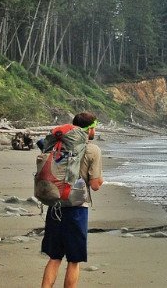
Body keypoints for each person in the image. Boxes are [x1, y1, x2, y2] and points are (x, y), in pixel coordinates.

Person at [41, 111, 104, 288]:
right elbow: (96, 185)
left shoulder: (57, 145)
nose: (95, 131)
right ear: (89, 129)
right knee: (74, 260)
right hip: (76, 208)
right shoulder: (92, 149)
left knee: (54, 257)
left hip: (54, 203)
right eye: (94, 128)